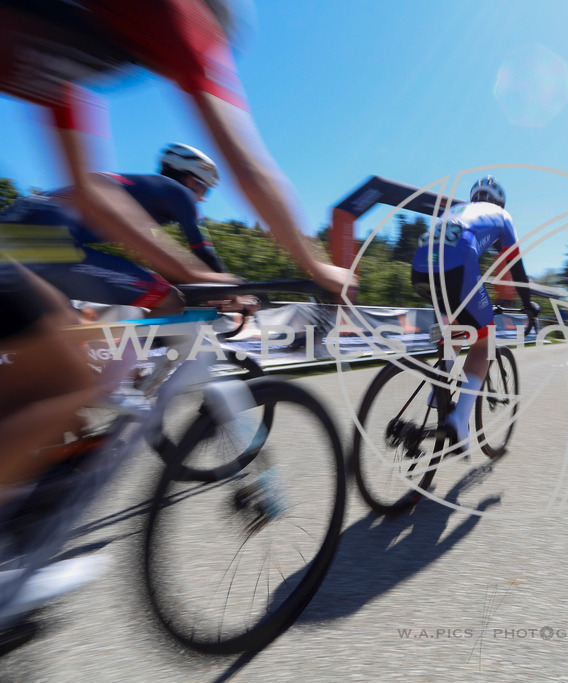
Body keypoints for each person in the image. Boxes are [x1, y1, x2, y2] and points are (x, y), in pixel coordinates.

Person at [0, 0, 355, 621]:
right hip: (42, 232)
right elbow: (221, 220)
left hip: (26, 226)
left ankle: (81, 423)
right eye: (206, 189)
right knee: (150, 309)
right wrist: (302, 266)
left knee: (65, 342)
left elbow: (91, 192)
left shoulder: (69, 45)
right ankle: (120, 392)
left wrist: (199, 278)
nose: (207, 196)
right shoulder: (178, 25)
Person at [0, 143, 235, 317]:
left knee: (66, 318)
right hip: (48, 237)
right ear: (192, 181)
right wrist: (236, 289)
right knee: (170, 301)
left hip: (14, 227)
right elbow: (204, 254)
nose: (203, 200)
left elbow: (162, 263)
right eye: (205, 191)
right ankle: (121, 376)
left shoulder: (141, 196)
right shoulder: (178, 192)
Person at [411, 176, 538, 454]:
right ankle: (459, 421)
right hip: (458, 267)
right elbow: (515, 266)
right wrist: (529, 304)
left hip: (420, 267)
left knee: (454, 331)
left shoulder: (455, 211)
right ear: (500, 202)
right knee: (484, 341)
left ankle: (439, 391)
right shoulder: (502, 215)